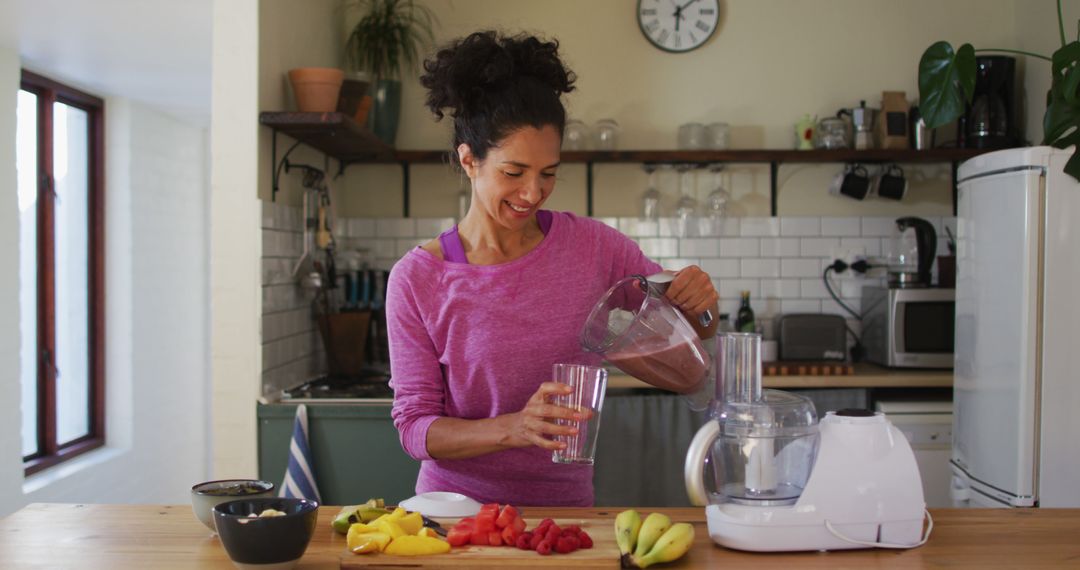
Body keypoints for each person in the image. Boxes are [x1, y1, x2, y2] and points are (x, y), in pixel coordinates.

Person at [386, 30, 719, 507]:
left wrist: (703, 305)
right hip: (457, 516)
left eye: (548, 173)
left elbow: (691, 333)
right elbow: (414, 429)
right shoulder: (418, 279)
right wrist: (513, 429)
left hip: (564, 513)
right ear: (469, 161)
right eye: (513, 173)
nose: (532, 193)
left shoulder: (595, 247)